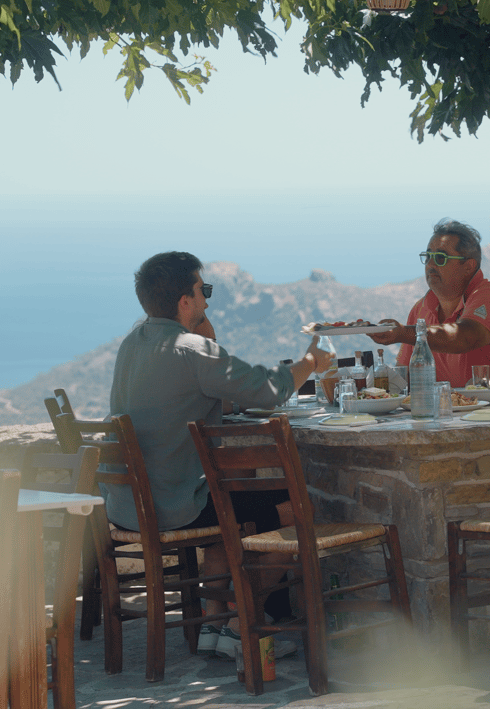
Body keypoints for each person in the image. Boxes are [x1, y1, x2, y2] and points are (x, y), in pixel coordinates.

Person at [107, 251, 334, 660]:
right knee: (296, 507)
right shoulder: (191, 350)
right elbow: (268, 389)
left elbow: (181, 399)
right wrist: (311, 363)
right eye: (202, 290)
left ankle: (213, 624)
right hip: (175, 505)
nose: (207, 301)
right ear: (185, 301)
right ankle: (239, 623)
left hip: (129, 505)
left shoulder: (132, 344)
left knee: (230, 505)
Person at [370, 219, 490, 387]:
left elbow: (462, 339)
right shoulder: (419, 310)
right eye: (428, 257)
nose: (431, 264)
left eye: (441, 257)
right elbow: (403, 378)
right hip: (451, 411)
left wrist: (402, 333)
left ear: (469, 266)